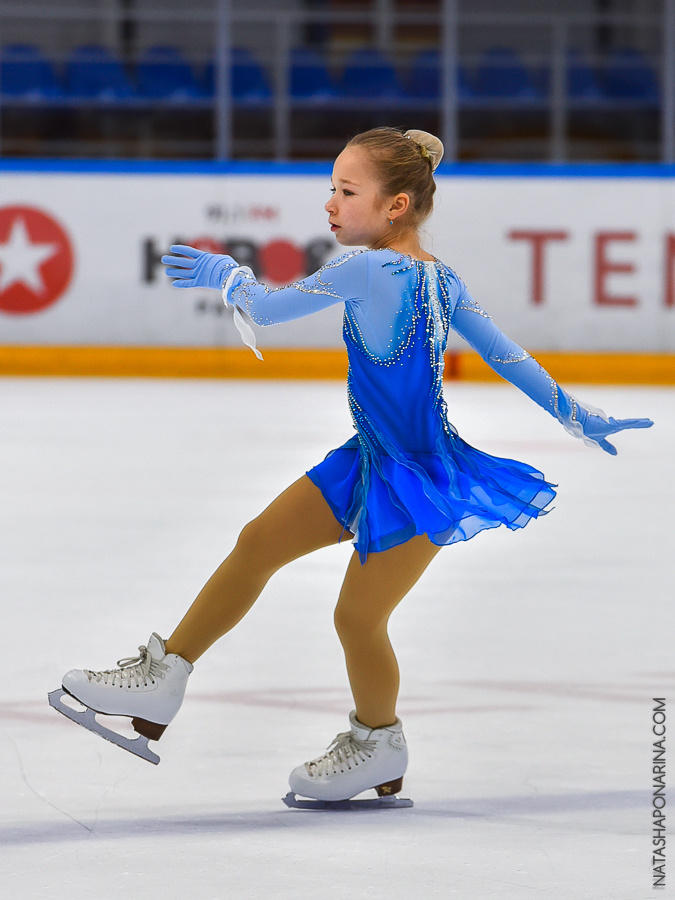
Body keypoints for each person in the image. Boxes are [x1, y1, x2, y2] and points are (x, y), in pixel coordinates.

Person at [52, 127, 652, 805]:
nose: (330, 204)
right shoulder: (440, 276)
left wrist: (231, 277)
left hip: (414, 480)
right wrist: (574, 414)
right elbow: (507, 357)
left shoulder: (365, 269)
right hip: (368, 460)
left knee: (356, 619)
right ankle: (165, 675)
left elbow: (266, 310)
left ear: (394, 205)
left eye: (345, 191)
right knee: (257, 544)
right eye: (330, 189)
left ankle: (377, 741)